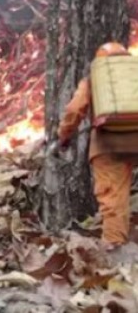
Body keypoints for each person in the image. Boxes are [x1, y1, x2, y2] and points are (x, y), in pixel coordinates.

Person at [58, 41, 138, 247]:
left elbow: (75, 109)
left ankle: (115, 248)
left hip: (108, 145)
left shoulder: (96, 78)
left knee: (113, 199)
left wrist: (64, 136)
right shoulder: (134, 74)